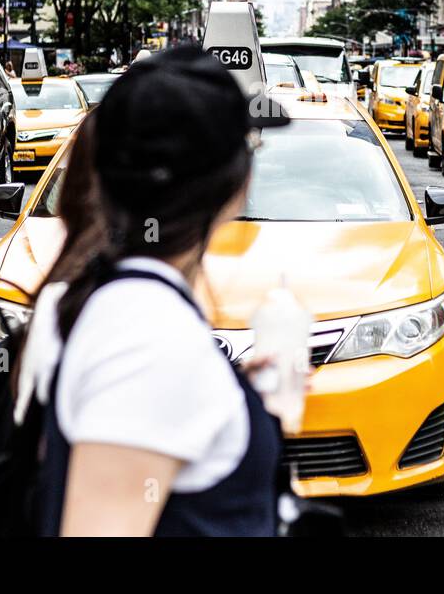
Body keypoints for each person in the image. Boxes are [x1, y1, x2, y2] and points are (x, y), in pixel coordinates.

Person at [18, 45, 290, 536]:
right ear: (233, 181)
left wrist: (229, 397)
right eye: (250, 147)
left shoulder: (114, 302)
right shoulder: (147, 337)